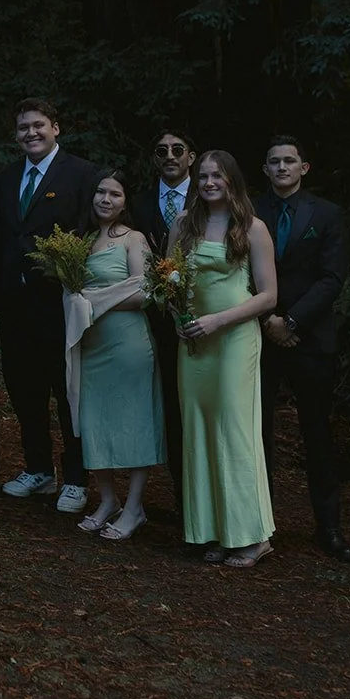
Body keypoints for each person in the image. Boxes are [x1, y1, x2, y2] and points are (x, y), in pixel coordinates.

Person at [171, 150, 277, 568]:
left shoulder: (253, 228)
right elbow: (168, 278)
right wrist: (177, 317)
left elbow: (269, 296)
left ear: (232, 179)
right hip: (194, 340)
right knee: (198, 428)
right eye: (203, 176)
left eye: (217, 175)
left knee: (234, 430)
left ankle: (251, 535)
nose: (209, 181)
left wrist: (219, 320)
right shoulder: (183, 224)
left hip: (234, 338)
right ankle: (214, 529)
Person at [0, 98, 99, 511]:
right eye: (23, 128)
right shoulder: (5, 178)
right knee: (24, 390)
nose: (30, 133)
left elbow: (89, 230)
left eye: (38, 125)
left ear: (56, 128)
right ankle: (38, 469)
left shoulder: (81, 173)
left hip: (58, 302)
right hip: (15, 306)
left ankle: (76, 476)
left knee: (67, 391)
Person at [255, 137, 350, 562]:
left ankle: (328, 526)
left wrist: (290, 322)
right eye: (274, 161)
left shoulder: (328, 214)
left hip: (308, 337)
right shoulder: (250, 211)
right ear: (265, 169)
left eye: (289, 161)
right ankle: (259, 521)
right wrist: (267, 320)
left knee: (317, 433)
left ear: (304, 167)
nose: (281, 167)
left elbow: (332, 278)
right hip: (258, 335)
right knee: (257, 434)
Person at [64, 171, 164, 540]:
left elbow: (146, 291)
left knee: (134, 420)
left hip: (128, 344)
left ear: (126, 202)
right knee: (92, 420)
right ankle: (108, 500)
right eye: (101, 192)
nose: (106, 199)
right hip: (90, 344)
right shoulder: (81, 240)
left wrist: (93, 301)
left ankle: (135, 507)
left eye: (115, 194)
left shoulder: (134, 239)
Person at [132, 126, 197, 506]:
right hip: (148, 320)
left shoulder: (208, 197)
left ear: (191, 155)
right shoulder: (139, 205)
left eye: (178, 149)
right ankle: (180, 492)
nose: (170, 156)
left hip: (195, 319)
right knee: (167, 407)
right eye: (161, 151)